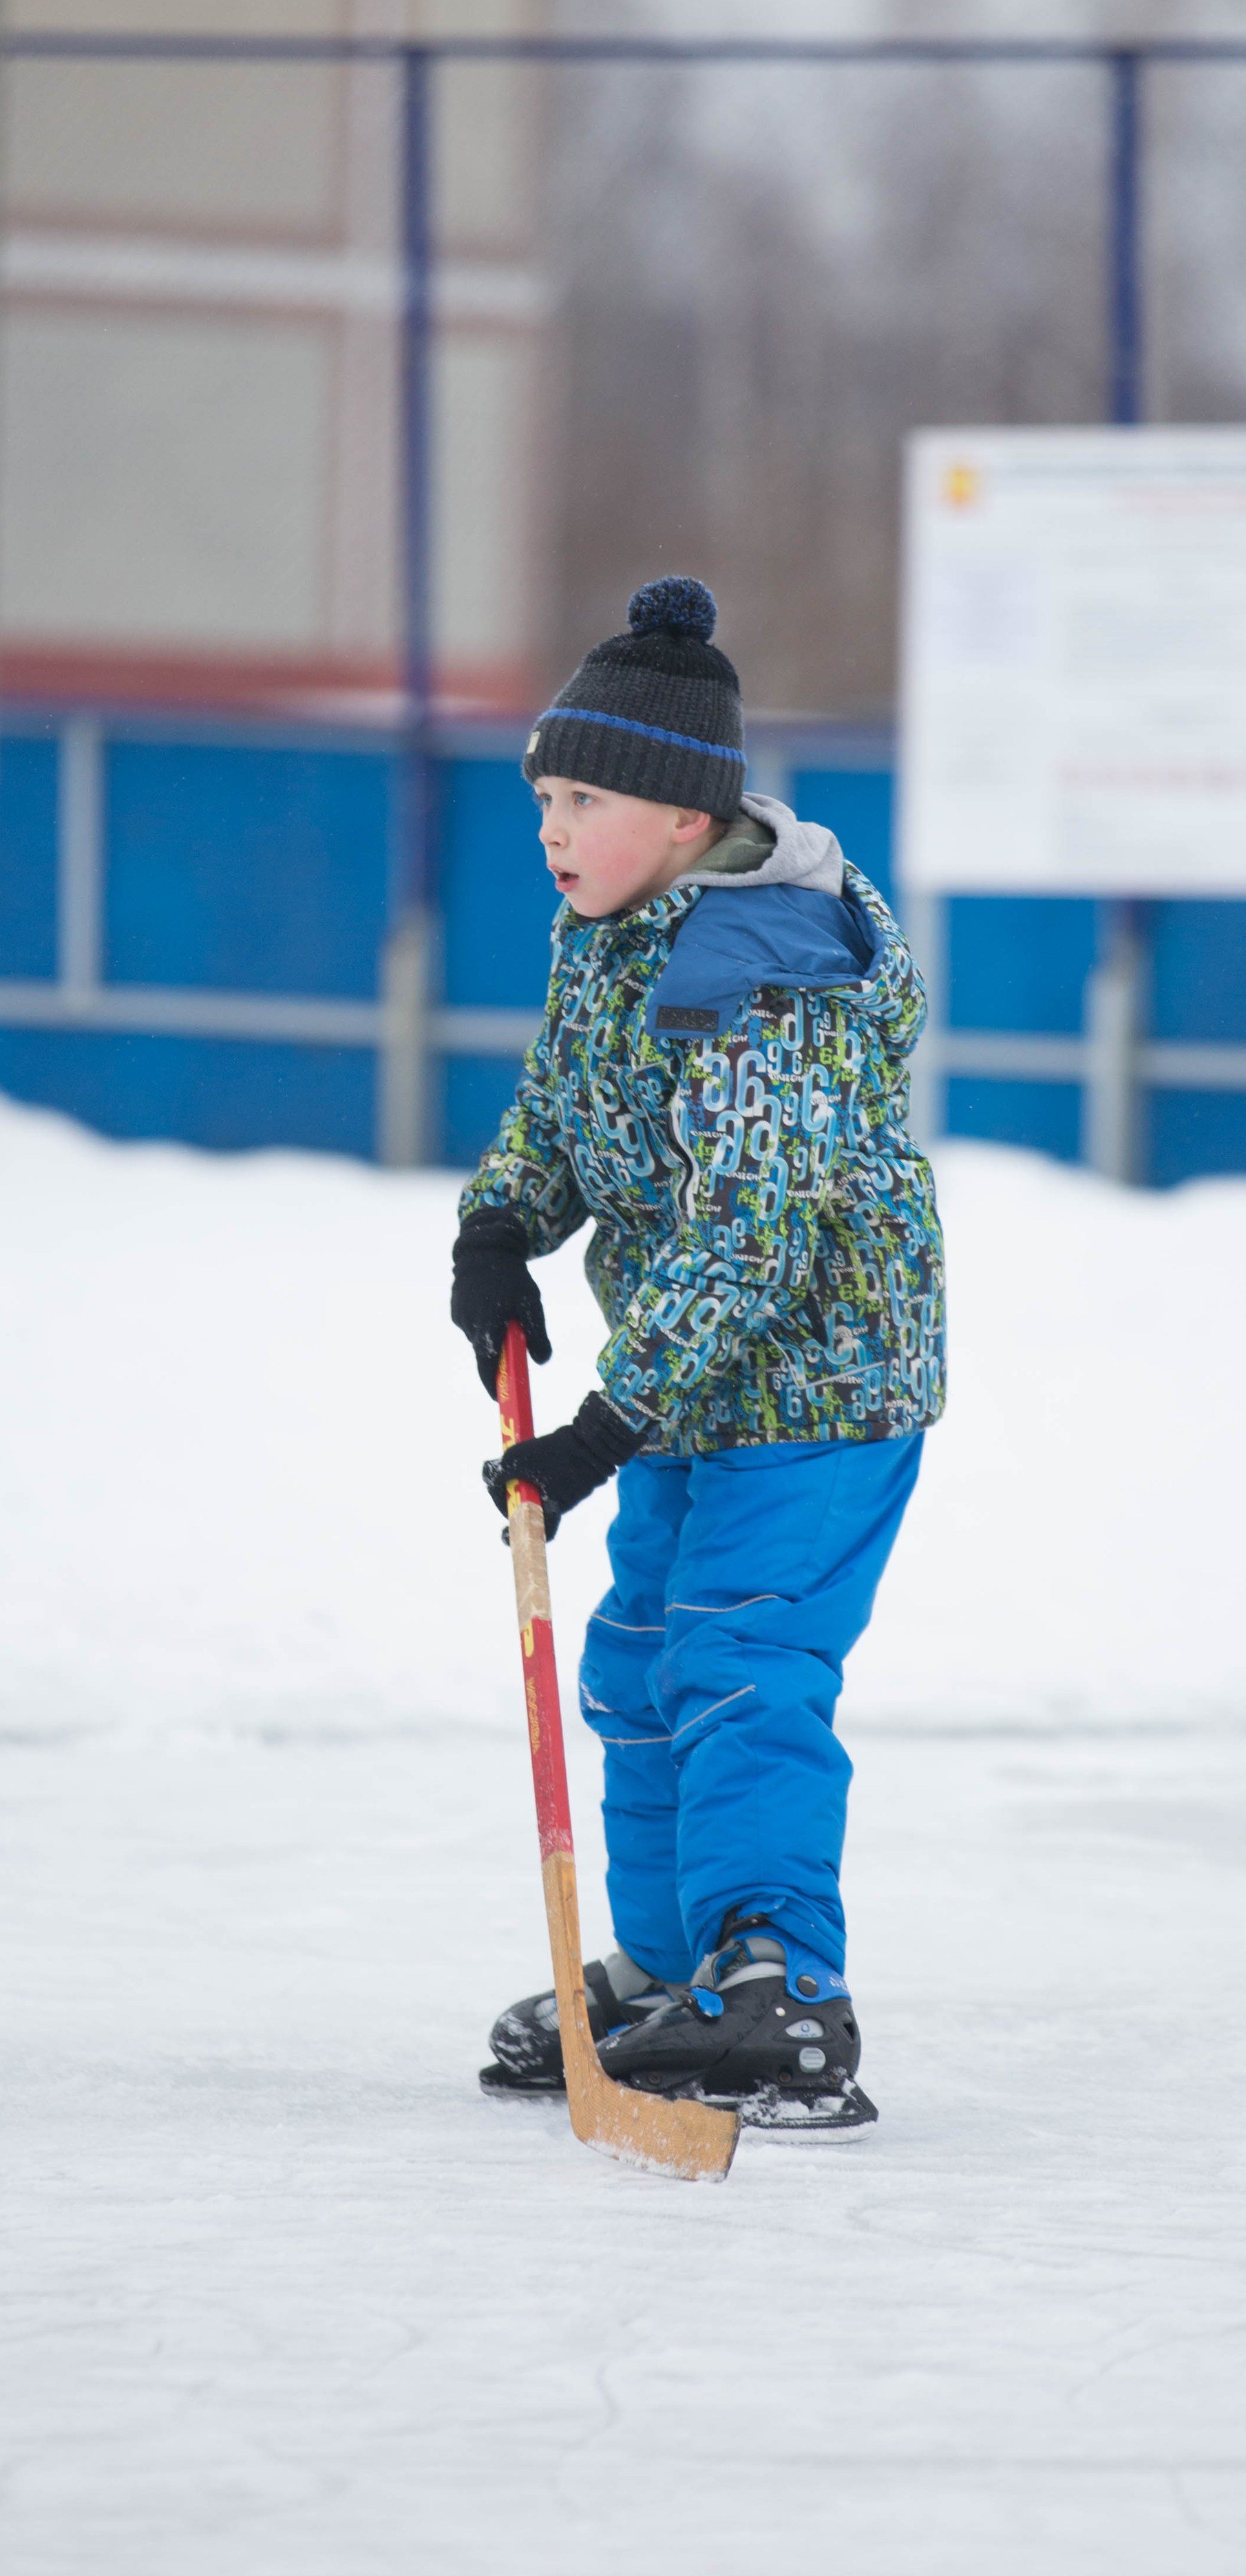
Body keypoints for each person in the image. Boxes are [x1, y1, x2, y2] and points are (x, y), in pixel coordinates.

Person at [450, 576, 944, 2132]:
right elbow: (567, 1109)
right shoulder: (605, 941)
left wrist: (602, 1423)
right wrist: (499, 1226)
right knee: (642, 1669)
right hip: (693, 1387)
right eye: (542, 794)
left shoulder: (765, 974)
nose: (552, 825)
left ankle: (782, 1987)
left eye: (581, 796)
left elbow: (754, 1227)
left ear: (680, 813)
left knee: (741, 1661)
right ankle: (676, 1976)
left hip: (819, 1390)